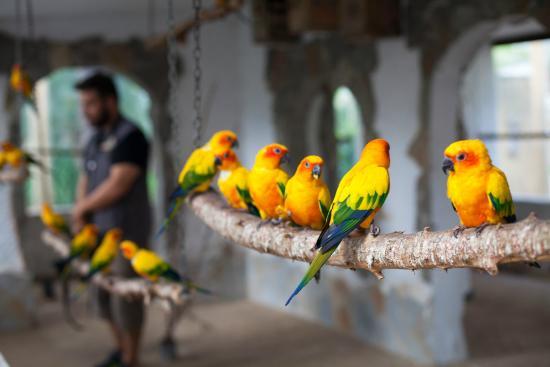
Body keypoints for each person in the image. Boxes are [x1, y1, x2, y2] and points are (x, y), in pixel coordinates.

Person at [73, 72, 151, 367]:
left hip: (125, 232)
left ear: (111, 101)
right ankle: (121, 351)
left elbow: (120, 182)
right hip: (97, 233)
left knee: (125, 297)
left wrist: (82, 209)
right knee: (102, 297)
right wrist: (82, 209)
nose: (86, 110)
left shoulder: (131, 136)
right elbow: (85, 177)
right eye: (84, 104)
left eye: (91, 103)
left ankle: (132, 358)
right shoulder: (94, 138)